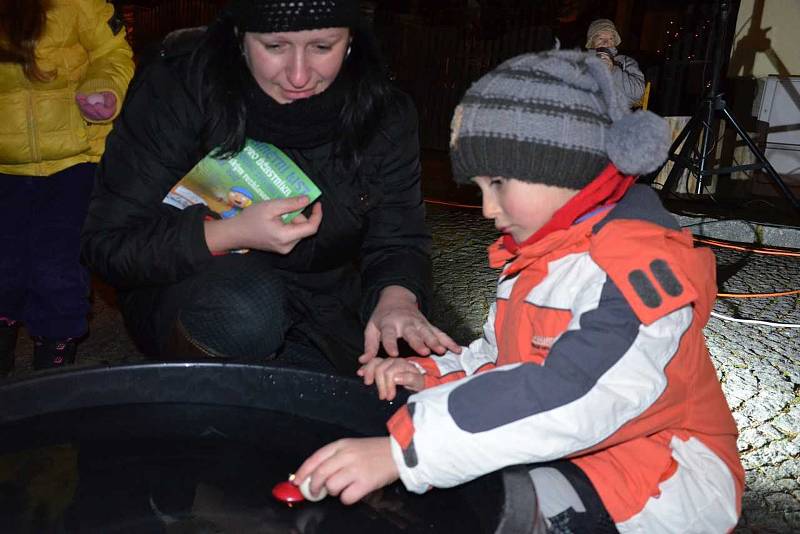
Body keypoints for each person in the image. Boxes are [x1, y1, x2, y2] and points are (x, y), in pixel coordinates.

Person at [294, 50, 744, 533]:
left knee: (496, 506)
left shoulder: (634, 268)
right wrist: (429, 376)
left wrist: (404, 452)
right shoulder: (542, 252)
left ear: (563, 166)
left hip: (666, 474)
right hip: (579, 445)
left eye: (499, 183)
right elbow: (503, 362)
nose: (487, 209)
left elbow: (576, 394)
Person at [80, 0, 459, 372]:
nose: (298, 76)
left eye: (322, 47)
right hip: (187, 289)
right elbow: (107, 245)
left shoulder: (384, 113)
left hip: (320, 298)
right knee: (246, 311)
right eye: (275, 46)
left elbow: (398, 238)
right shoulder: (179, 90)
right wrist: (229, 233)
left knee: (391, 391)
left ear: (350, 41)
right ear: (240, 37)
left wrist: (397, 298)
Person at [0, 0, 134, 375]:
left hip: (74, 160)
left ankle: (54, 363)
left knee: (56, 264)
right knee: (4, 262)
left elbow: (112, 53)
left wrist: (104, 86)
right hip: (4, 163)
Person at [585, 18, 645, 108]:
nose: (606, 43)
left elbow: (638, 93)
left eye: (610, 39)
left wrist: (612, 70)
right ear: (591, 42)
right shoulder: (581, 61)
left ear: (614, 42)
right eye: (600, 38)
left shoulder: (626, 62)